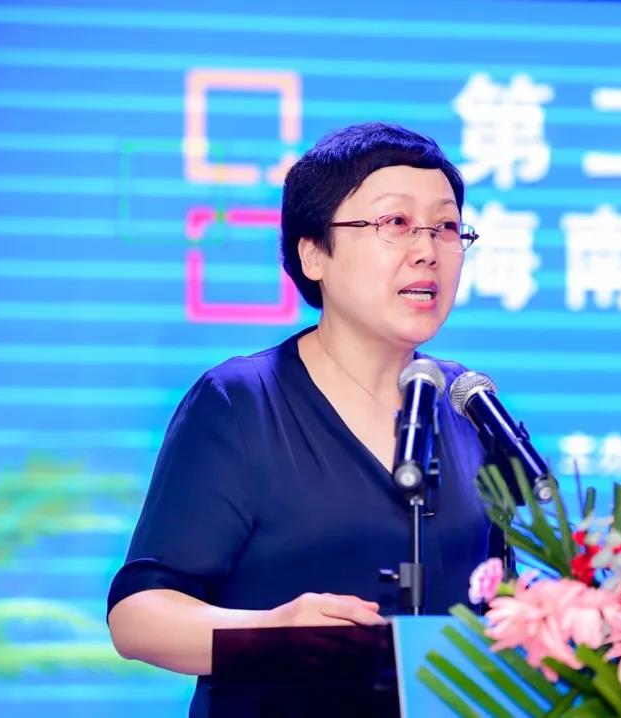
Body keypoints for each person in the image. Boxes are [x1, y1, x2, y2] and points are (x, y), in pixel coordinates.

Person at [107, 123, 496, 715]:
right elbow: (138, 617)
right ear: (314, 252)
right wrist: (270, 634)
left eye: (445, 227)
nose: (428, 250)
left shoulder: (469, 402)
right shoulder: (242, 403)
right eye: (396, 223)